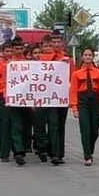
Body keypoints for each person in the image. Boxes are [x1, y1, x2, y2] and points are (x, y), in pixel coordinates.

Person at [33, 34, 71, 165]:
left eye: (56, 43)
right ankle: (44, 149)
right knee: (42, 126)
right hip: (42, 98)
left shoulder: (66, 59)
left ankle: (57, 153)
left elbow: (71, 78)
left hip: (58, 98)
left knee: (56, 125)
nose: (53, 46)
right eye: (49, 44)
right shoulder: (40, 59)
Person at [70, 47, 99, 166]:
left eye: (90, 55)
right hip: (83, 101)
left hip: (95, 101)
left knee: (94, 131)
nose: (87, 57)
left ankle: (90, 149)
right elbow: (74, 91)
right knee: (85, 129)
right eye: (85, 55)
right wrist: (74, 108)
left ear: (93, 57)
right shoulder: (76, 73)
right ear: (82, 57)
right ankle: (87, 156)